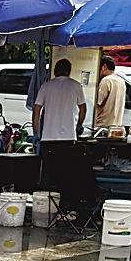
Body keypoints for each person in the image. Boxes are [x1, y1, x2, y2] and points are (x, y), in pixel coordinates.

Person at [31, 58, 88, 206]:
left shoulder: (46, 86)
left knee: (49, 175)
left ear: (55, 71)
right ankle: (64, 205)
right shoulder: (76, 86)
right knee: (67, 174)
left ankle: (47, 206)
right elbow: (83, 108)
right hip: (68, 139)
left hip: (48, 139)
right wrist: (79, 125)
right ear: (69, 71)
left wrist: (36, 132)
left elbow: (36, 110)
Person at [95, 56, 127, 131]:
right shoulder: (121, 81)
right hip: (116, 126)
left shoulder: (106, 80)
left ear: (104, 67)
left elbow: (97, 102)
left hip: (102, 126)